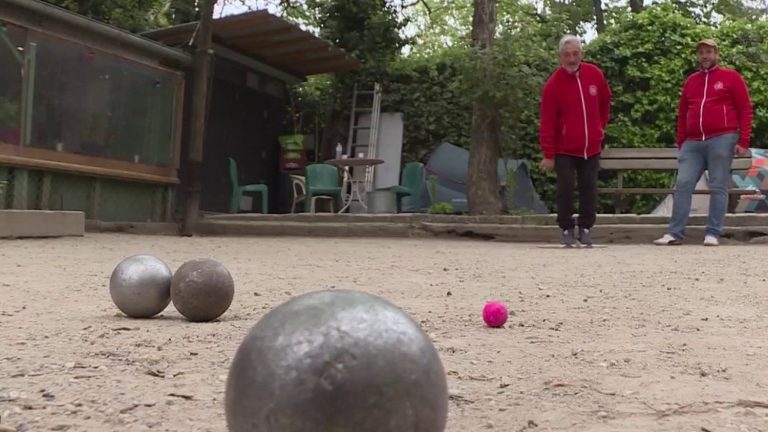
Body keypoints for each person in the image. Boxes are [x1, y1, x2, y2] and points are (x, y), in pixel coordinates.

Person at [654, 39, 753, 246]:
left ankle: (713, 232)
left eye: (708, 52)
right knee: (683, 184)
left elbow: (745, 108)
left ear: (716, 54)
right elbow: (683, 113)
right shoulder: (691, 81)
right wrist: (682, 142)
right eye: (701, 53)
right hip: (693, 142)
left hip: (722, 137)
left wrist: (743, 140)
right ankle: (675, 233)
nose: (705, 56)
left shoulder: (731, 77)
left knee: (718, 185)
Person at [538, 35, 612, 246]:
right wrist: (548, 154)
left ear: (582, 54)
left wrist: (600, 127)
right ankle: (567, 228)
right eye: (567, 55)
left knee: (589, 188)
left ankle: (586, 227)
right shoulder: (553, 84)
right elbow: (547, 121)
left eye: (576, 54)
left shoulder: (595, 74)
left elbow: (605, 102)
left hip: (591, 146)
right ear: (560, 57)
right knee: (566, 188)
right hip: (565, 149)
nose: (572, 59)